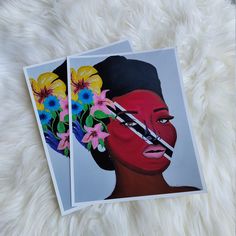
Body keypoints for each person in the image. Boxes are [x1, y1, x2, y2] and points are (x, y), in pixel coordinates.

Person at [72, 56, 199, 199]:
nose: (154, 134)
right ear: (99, 134)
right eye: (130, 123)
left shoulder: (193, 198)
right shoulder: (95, 215)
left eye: (162, 119)